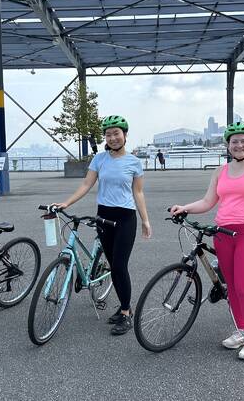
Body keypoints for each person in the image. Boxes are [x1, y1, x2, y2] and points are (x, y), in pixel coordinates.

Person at [169, 121, 244, 361]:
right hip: (223, 233)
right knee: (232, 288)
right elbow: (208, 202)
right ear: (228, 145)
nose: (239, 145)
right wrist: (184, 208)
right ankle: (241, 330)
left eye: (243, 141)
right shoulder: (220, 172)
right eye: (234, 141)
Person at [52, 115, 152, 335]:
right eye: (108, 134)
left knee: (118, 266)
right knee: (112, 263)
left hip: (126, 218)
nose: (113, 137)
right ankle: (123, 307)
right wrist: (66, 202)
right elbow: (87, 184)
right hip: (103, 216)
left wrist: (145, 220)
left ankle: (126, 312)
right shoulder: (99, 159)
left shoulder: (134, 162)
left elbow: (138, 192)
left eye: (117, 133)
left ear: (125, 135)